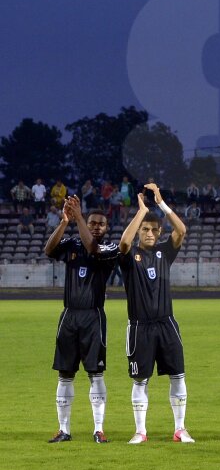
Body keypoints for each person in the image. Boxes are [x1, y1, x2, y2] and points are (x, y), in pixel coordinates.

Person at [117, 184, 191, 444]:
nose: (150, 233)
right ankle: (140, 431)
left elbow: (181, 230)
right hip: (140, 327)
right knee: (140, 380)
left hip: (167, 324)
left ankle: (180, 429)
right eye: (145, 229)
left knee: (177, 376)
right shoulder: (129, 255)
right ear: (139, 230)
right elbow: (124, 242)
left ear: (159, 232)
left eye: (154, 230)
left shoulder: (164, 253)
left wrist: (161, 204)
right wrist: (141, 212)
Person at [45, 196, 119, 443]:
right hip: (69, 315)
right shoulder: (72, 244)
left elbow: (93, 248)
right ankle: (63, 430)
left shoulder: (109, 249)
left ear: (107, 228)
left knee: (95, 373)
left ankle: (98, 429)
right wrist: (64, 222)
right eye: (92, 223)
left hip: (93, 317)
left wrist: (78, 218)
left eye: (100, 224)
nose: (96, 227)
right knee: (65, 373)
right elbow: (49, 250)